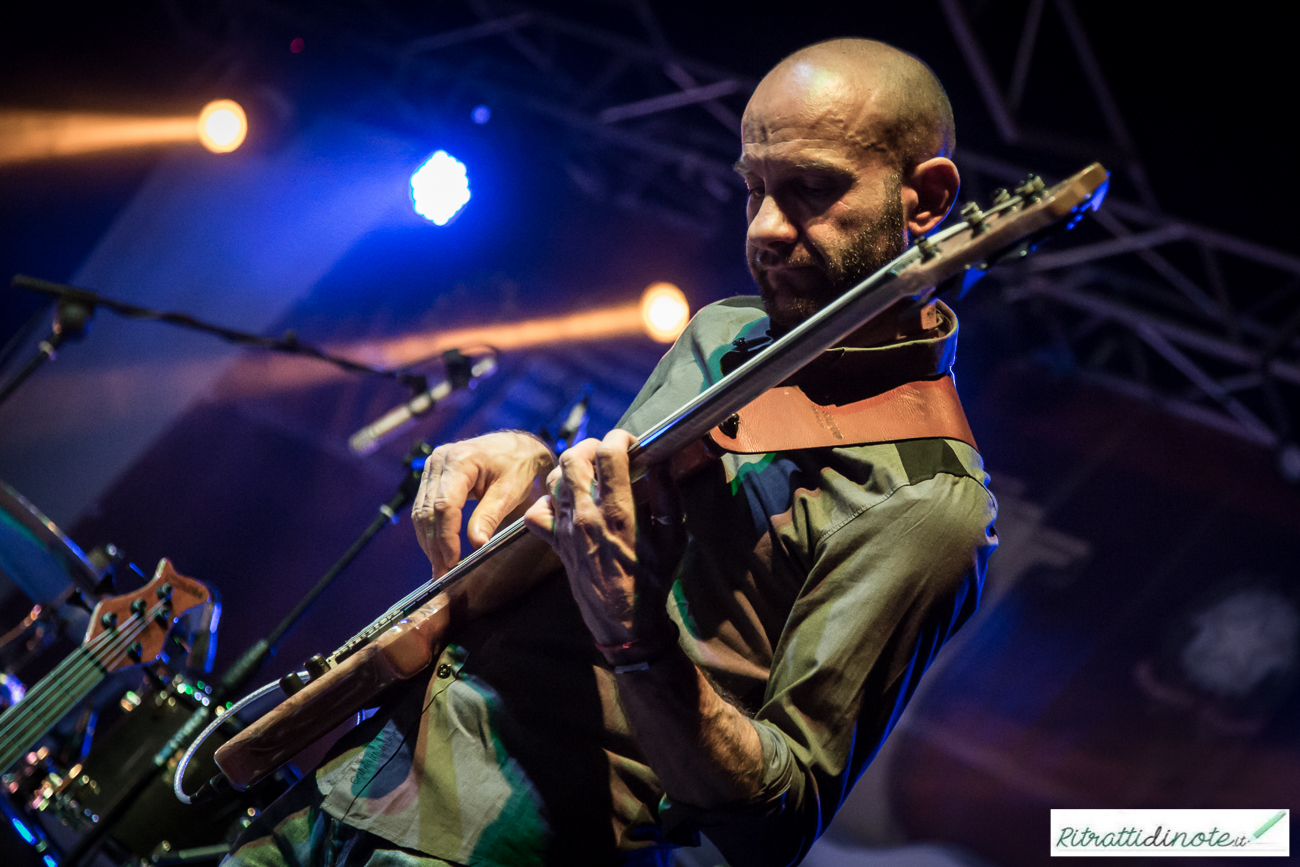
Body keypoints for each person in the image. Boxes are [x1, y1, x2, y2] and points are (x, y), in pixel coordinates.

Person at [223, 37, 997, 867]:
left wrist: (635, 635)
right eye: (753, 190)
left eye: (809, 188)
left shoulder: (929, 500)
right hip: (367, 774)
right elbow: (584, 542)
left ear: (926, 200)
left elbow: (778, 819)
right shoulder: (722, 330)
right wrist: (524, 463)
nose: (767, 228)